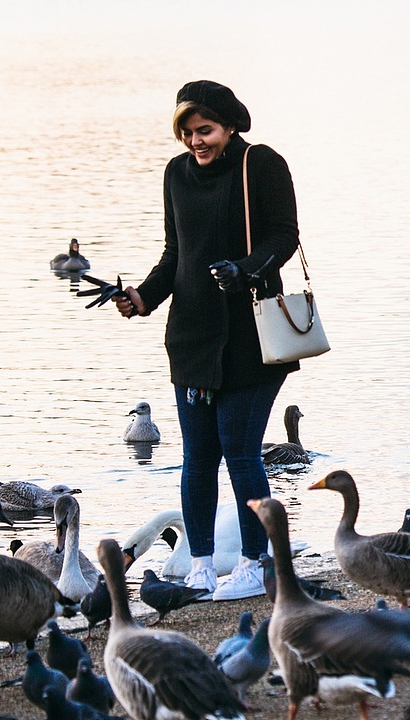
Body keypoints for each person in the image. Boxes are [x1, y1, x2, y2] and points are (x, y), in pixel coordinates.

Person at [113, 80, 300, 600]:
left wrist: (244, 271)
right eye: (188, 133)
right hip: (192, 337)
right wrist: (143, 298)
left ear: (230, 124)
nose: (197, 142)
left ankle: (252, 563)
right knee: (197, 457)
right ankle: (198, 566)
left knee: (241, 453)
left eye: (207, 130)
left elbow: (284, 235)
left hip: (251, 336)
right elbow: (177, 252)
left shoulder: (259, 164)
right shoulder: (176, 173)